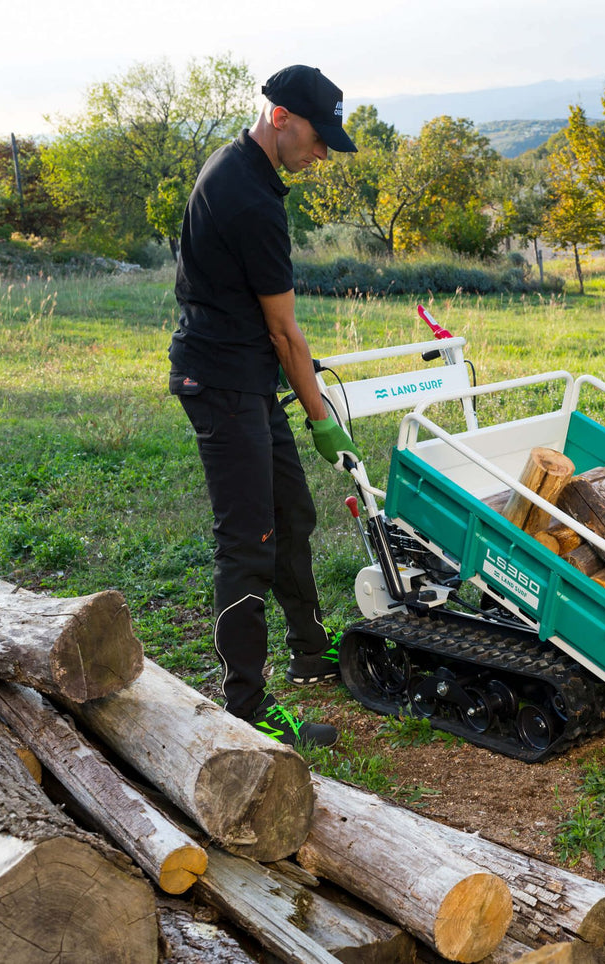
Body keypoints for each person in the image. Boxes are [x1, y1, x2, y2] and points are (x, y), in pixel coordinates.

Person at [167, 65, 362, 748]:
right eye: (316, 139)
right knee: (247, 541)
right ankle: (245, 707)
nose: (320, 155)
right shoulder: (250, 200)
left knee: (292, 514)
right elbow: (285, 331)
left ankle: (311, 650)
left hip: (245, 377)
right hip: (221, 383)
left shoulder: (238, 168)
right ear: (280, 117)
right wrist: (319, 418)